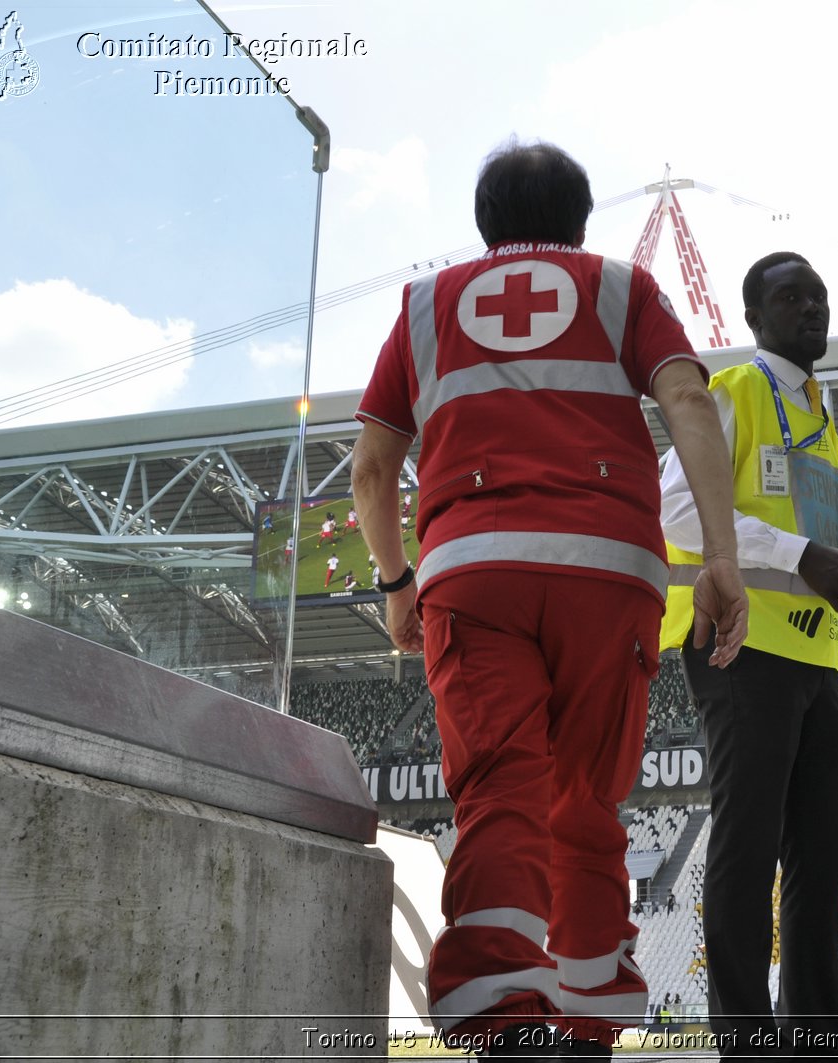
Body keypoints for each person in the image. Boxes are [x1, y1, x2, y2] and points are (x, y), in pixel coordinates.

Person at [351, 138, 748, 1060]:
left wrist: (397, 581)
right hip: (609, 569)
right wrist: (718, 559)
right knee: (587, 802)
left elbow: (372, 471)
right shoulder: (623, 287)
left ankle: (503, 1019)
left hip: (473, 566)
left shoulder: (422, 305)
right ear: (579, 220)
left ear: (484, 221)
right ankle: (585, 1018)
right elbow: (689, 402)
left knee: (500, 789)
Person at [656, 252, 838, 1057]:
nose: (813, 308)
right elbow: (670, 509)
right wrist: (806, 553)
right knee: (747, 845)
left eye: (820, 296)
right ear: (753, 317)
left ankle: (816, 1039)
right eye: (790, 297)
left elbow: (790, 530)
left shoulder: (820, 415)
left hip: (816, 657)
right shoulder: (733, 391)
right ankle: (744, 1038)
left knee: (820, 856)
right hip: (740, 644)